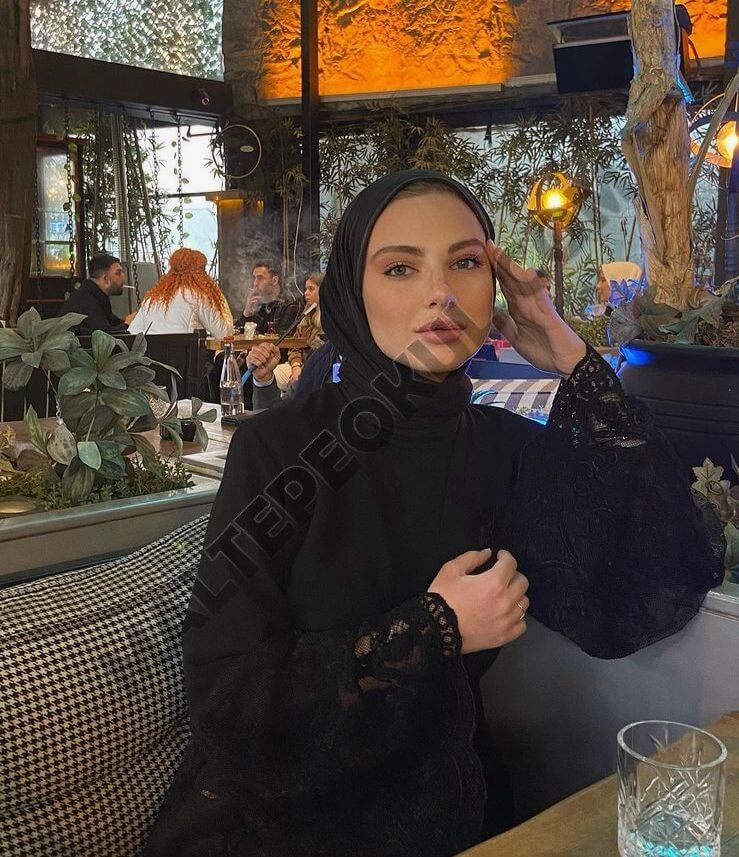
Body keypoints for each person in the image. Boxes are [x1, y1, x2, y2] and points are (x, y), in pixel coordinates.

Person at [144, 171, 723, 857]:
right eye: (400, 268)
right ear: (351, 293)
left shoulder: (501, 447)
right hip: (278, 821)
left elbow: (662, 570)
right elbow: (228, 700)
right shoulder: (282, 450)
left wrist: (572, 357)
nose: (441, 293)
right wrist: (435, 625)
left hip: (452, 806)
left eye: (466, 263)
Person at [247, 270, 326, 401]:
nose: (306, 293)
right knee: (261, 374)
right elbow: (295, 348)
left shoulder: (328, 320)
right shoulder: (306, 317)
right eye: (306, 289)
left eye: (311, 289)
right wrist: (296, 366)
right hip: (299, 365)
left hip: (315, 368)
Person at [128, 248, 233, 338]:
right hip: (185, 355)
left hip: (152, 355)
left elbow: (132, 332)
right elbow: (224, 333)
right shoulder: (198, 297)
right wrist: (218, 297)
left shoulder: (152, 299)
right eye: (203, 270)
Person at [59, 253, 133, 335]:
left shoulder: (96, 295)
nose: (123, 277)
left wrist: (131, 321)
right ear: (105, 279)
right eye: (118, 273)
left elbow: (112, 321)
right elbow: (105, 336)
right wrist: (127, 325)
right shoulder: (86, 300)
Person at [234, 261, 303, 335]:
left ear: (275, 280)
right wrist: (247, 313)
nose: (255, 283)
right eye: (254, 278)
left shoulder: (290, 305)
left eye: (260, 278)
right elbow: (236, 333)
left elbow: (282, 339)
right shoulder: (259, 305)